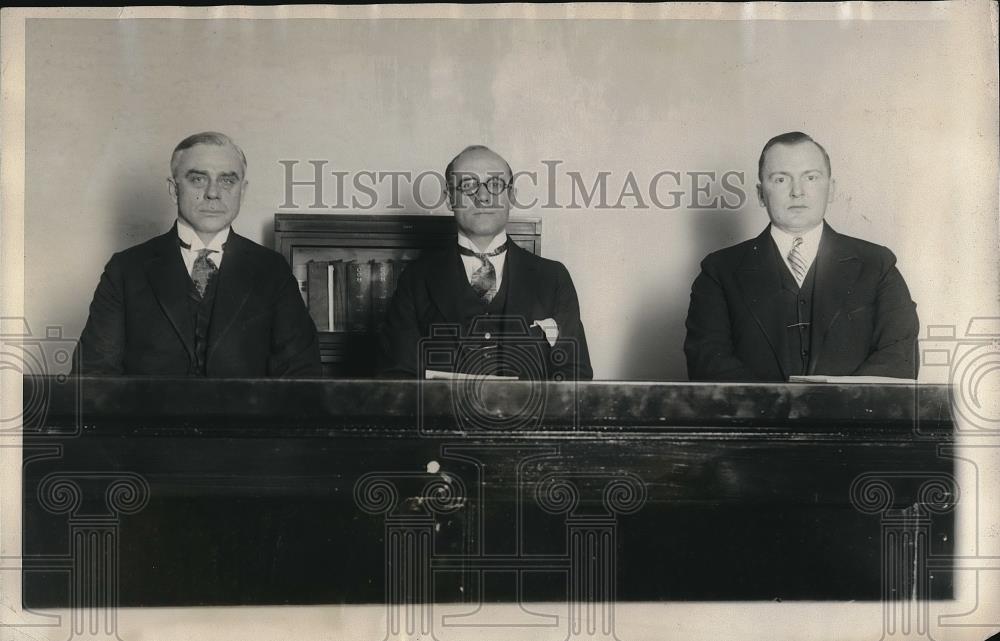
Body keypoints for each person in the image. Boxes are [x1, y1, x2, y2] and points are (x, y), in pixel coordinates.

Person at [73, 132, 321, 377]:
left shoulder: (272, 270)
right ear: (173, 189)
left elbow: (302, 379)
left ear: (242, 192)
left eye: (227, 180)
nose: (213, 193)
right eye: (198, 179)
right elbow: (93, 379)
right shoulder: (125, 269)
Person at [684, 131, 919, 381]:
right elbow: (707, 363)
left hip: (850, 420)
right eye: (781, 179)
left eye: (811, 177)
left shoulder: (878, 265)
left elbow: (899, 360)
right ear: (761, 193)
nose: (798, 192)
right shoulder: (719, 271)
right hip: (757, 421)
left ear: (831, 189)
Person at [379, 145, 592, 381]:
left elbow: (576, 378)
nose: (482, 196)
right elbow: (397, 381)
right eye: (468, 185)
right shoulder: (415, 279)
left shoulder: (553, 278)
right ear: (450, 199)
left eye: (496, 184)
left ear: (511, 196)